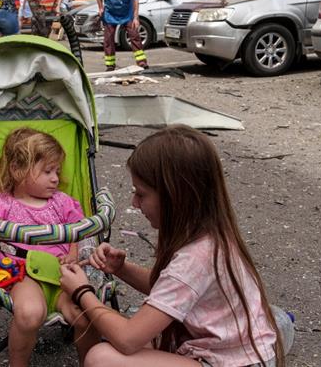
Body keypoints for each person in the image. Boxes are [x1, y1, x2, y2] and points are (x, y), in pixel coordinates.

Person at [58, 125, 292, 366]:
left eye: (141, 194)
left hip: (231, 362)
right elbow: (173, 289)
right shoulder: (208, 233)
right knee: (113, 326)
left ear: (175, 197)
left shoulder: (197, 257)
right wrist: (121, 269)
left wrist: (81, 292)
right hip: (222, 346)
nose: (134, 203)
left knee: (102, 356)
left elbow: (128, 339)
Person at [0, 127, 84, 367]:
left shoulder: (62, 202)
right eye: (48, 171)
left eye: (57, 171)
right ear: (18, 171)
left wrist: (72, 253)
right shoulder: (0, 205)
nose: (56, 178)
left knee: (85, 315)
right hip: (22, 273)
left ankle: (91, 362)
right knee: (30, 314)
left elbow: (77, 230)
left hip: (61, 272)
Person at [95, 0, 148, 70]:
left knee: (134, 35)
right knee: (108, 39)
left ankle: (142, 62)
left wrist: (135, 17)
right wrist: (100, 7)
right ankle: (110, 65)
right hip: (110, 12)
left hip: (126, 12)